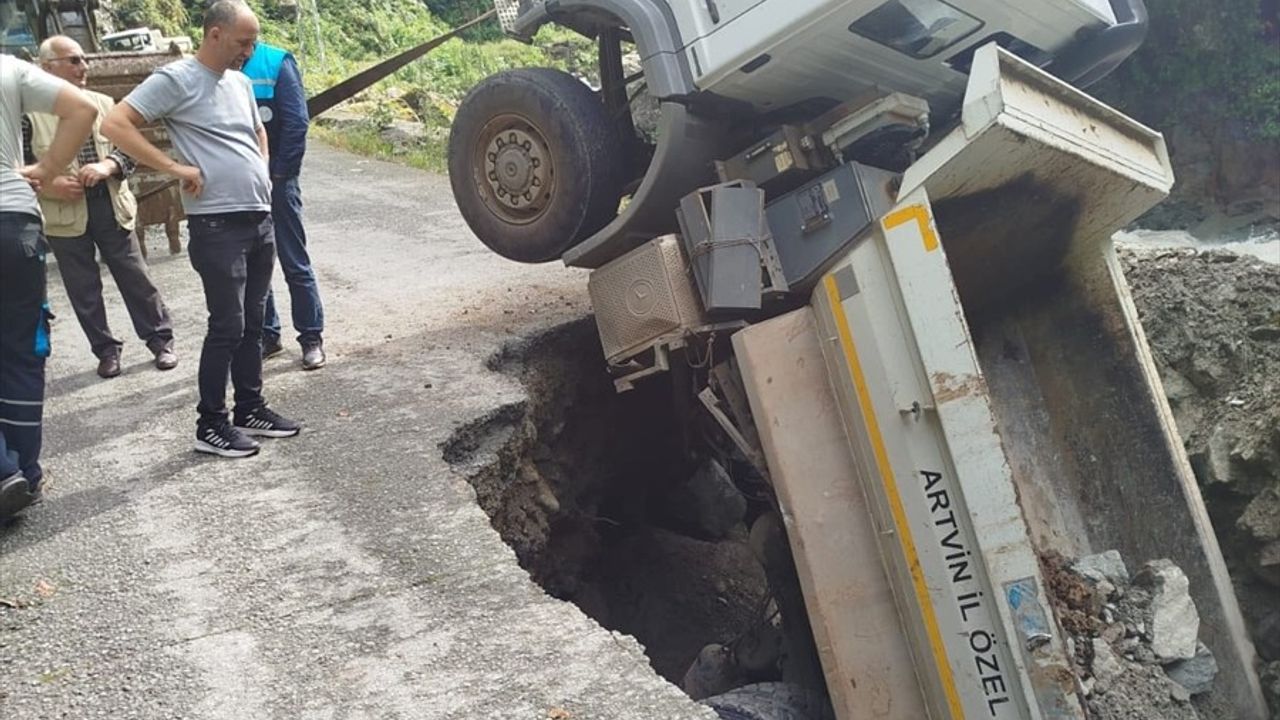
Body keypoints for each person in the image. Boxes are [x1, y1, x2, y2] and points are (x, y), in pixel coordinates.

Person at [103, 0, 301, 459]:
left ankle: (249, 408)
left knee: (254, 323)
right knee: (228, 325)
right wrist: (174, 168)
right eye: (243, 43)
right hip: (216, 223)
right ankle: (210, 423)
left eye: (252, 43)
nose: (249, 52)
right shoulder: (177, 79)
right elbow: (116, 123)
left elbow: (258, 131)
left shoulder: (240, 83)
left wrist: (261, 166)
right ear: (215, 34)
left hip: (258, 216)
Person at [23, 35, 178, 380]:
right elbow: (17, 165)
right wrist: (52, 184)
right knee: (83, 288)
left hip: (110, 202)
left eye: (84, 59)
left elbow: (129, 150)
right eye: (73, 60)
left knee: (136, 277)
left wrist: (109, 166)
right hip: (63, 211)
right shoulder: (29, 116)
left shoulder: (105, 104)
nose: (83, 67)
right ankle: (106, 351)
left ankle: (160, 341)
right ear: (47, 68)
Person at [1, 54, 97, 520]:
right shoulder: (7, 67)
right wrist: (47, 168)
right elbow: (83, 109)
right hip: (14, 221)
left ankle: (5, 473)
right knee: (22, 349)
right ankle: (26, 473)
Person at [241, 40, 326, 370]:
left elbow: (296, 122)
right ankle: (268, 335)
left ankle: (311, 337)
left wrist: (280, 174)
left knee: (293, 259)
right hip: (241, 183)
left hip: (278, 179)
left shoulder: (276, 63)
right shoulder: (218, 65)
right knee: (254, 264)